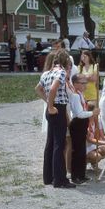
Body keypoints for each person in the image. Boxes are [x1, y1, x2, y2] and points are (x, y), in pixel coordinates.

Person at [35, 49, 75, 188]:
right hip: (58, 108)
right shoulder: (61, 72)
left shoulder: (46, 73)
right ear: (65, 62)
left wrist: (48, 103)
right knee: (60, 144)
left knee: (50, 143)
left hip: (51, 109)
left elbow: (38, 89)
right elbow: (53, 89)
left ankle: (48, 177)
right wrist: (52, 105)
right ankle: (60, 179)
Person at [69, 74, 100, 184]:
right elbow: (79, 113)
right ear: (76, 84)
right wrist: (93, 112)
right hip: (77, 123)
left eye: (85, 82)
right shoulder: (75, 96)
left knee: (81, 151)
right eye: (82, 83)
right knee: (77, 151)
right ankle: (75, 176)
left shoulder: (81, 94)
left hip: (82, 124)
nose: (85, 85)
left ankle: (82, 175)